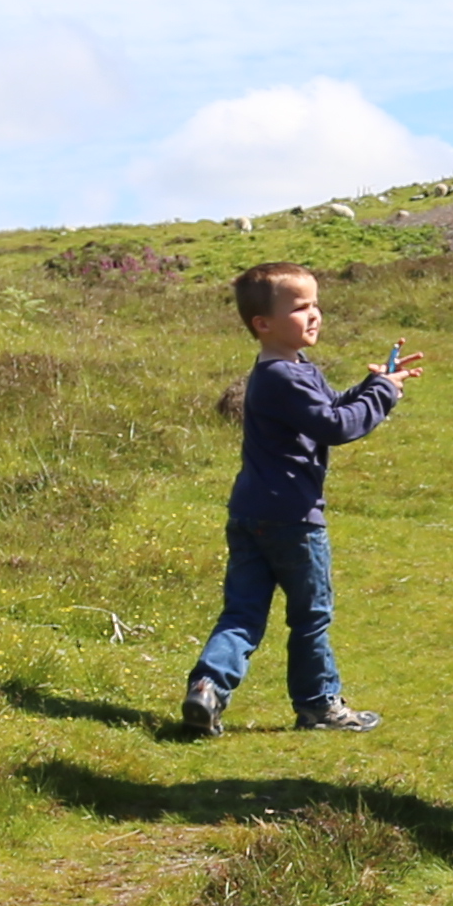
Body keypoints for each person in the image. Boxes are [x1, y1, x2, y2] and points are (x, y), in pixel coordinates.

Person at [177, 262, 412, 739]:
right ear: (262, 324)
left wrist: (375, 385)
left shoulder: (287, 370)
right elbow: (338, 426)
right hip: (293, 520)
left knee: (242, 612)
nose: (314, 315)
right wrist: (383, 397)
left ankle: (207, 687)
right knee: (311, 616)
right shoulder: (286, 376)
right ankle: (319, 704)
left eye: (316, 304)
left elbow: (331, 408)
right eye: (300, 307)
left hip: (250, 513)